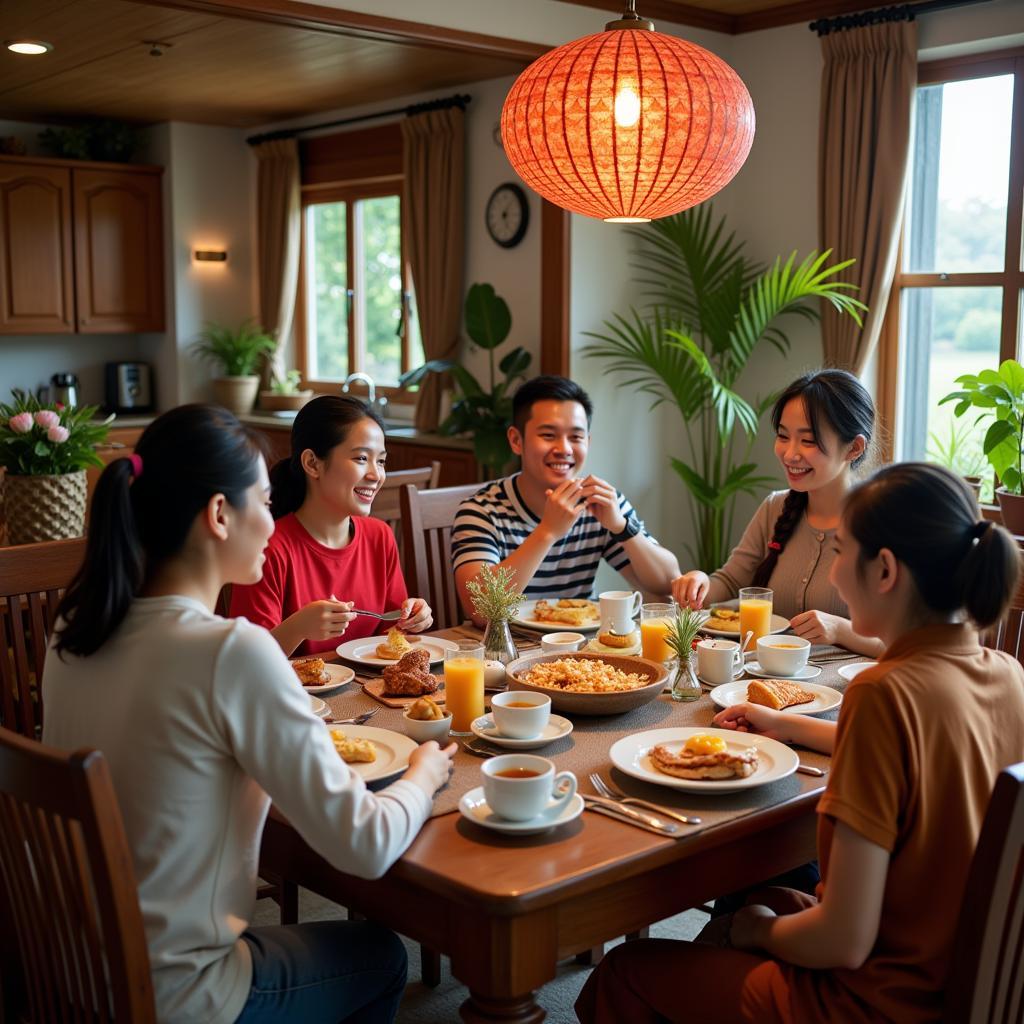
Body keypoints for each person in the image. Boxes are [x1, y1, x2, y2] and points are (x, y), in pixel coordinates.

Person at [42, 405, 456, 1024]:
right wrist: (425, 773)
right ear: (217, 515)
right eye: (263, 502)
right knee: (379, 955)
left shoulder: (74, 628)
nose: (271, 521)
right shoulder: (231, 651)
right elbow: (365, 847)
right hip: (180, 992)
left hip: (76, 965)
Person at [576, 462, 1024, 1024]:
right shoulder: (1007, 674)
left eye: (840, 553)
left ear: (884, 570)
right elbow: (926, 758)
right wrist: (788, 724)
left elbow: (842, 942)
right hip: (951, 970)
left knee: (629, 970)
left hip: (874, 1001)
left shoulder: (882, 694)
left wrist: (758, 930)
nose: (834, 576)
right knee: (764, 906)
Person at [672, 369, 884, 657]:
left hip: (845, 690)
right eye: (783, 436)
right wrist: (701, 583)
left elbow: (909, 645)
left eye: (808, 441)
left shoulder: (883, 524)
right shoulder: (776, 508)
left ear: (854, 448)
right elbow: (732, 581)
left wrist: (841, 630)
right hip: (767, 679)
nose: (789, 454)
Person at [452, 375, 679, 621]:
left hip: (584, 652)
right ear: (517, 441)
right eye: (548, 435)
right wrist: (548, 531)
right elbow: (480, 611)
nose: (565, 449)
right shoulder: (481, 511)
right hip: (505, 652)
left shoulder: (600, 502)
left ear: (588, 442)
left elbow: (667, 584)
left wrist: (621, 527)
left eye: (576, 437)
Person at [229, 395, 432, 656]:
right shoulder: (266, 548)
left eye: (381, 461)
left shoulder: (379, 535)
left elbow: (391, 634)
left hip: (369, 693)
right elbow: (246, 661)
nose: (376, 475)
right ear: (312, 463)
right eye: (361, 458)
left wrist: (414, 619)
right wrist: (298, 627)